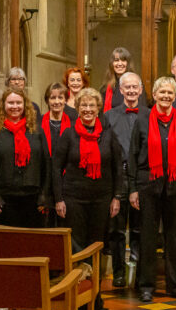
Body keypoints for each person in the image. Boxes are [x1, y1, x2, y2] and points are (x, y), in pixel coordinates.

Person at [128, 77, 176, 302]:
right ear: (155, 95)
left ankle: (175, 286)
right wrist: (132, 189)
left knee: (175, 238)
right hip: (148, 185)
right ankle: (146, 285)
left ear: (174, 96)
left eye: (170, 93)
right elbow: (132, 156)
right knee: (148, 238)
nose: (166, 96)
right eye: (162, 92)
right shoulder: (142, 121)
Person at [52, 87, 123, 252]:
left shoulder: (108, 135)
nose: (88, 109)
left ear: (98, 108)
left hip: (102, 198)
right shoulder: (68, 134)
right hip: (73, 198)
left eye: (92, 105)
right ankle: (79, 275)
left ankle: (94, 275)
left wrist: (117, 197)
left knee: (97, 240)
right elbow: (56, 168)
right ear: (77, 109)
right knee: (76, 240)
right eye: (84, 105)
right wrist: (58, 199)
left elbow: (118, 167)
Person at [103, 71, 147, 288]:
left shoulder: (149, 114)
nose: (131, 91)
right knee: (117, 229)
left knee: (139, 227)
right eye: (126, 87)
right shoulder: (109, 116)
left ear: (140, 90)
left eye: (134, 87)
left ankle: (138, 273)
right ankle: (119, 273)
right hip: (118, 177)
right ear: (120, 91)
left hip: (141, 177)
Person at [0, 88, 49, 228]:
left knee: (31, 244)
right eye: (11, 103)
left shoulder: (36, 130)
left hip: (33, 199)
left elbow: (46, 165)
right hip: (3, 199)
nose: (15, 106)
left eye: (19, 102)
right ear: (4, 105)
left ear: (25, 105)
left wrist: (44, 195)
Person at [99, 47, 145, 112]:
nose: (120, 64)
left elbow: (142, 109)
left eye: (123, 60)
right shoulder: (105, 88)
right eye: (116, 60)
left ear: (128, 64)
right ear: (112, 64)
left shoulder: (136, 84)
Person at [42, 83, 72, 160]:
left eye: (60, 97)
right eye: (53, 98)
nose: (56, 101)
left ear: (66, 100)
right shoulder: (38, 122)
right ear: (47, 101)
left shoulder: (73, 124)